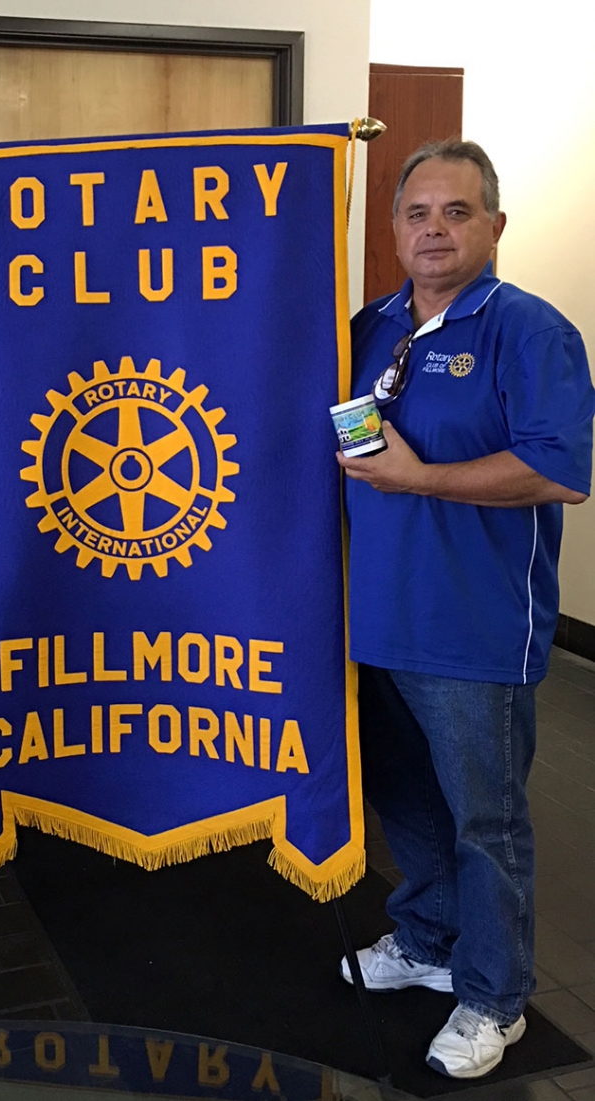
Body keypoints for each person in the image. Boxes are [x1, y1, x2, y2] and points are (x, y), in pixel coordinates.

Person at [336, 140, 594, 1079]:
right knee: (405, 802)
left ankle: (494, 997)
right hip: (379, 623)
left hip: (476, 632)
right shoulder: (368, 325)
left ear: (494, 225)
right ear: (395, 227)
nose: (434, 229)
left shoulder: (529, 331)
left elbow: (559, 471)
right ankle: (429, 939)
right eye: (417, 213)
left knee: (486, 822)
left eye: (456, 212)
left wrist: (423, 477)